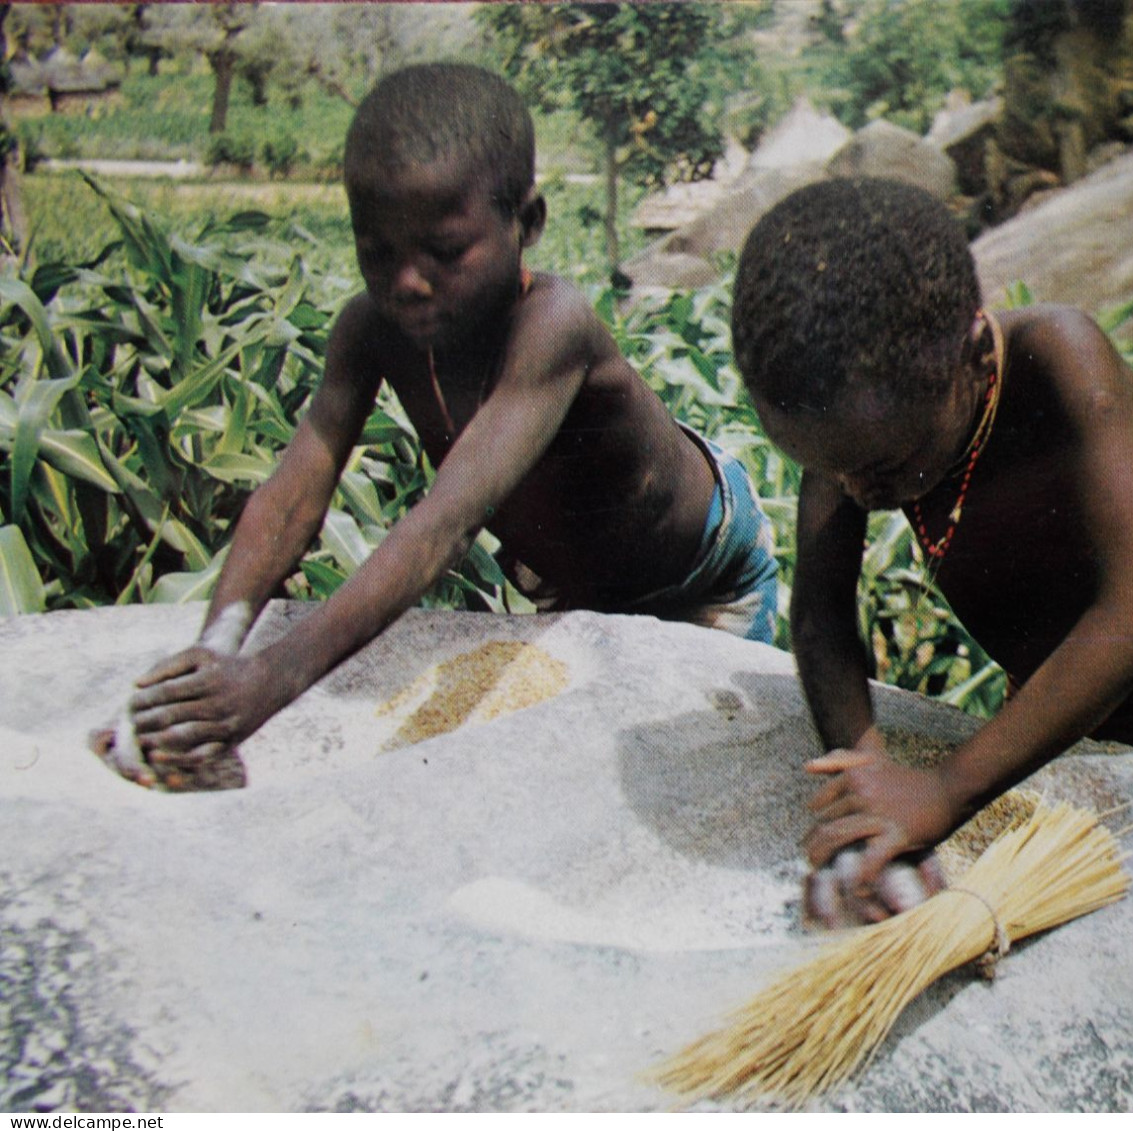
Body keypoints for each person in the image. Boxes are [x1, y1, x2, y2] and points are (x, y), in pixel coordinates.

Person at [729, 177, 1133, 927]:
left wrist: (945, 789)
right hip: (1070, 696)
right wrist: (867, 776)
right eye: (831, 469)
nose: (853, 492)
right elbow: (822, 612)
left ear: (978, 354)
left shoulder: (1063, 362)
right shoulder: (864, 423)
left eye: (882, 470)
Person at [97, 63, 776, 788]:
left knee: (706, 782)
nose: (407, 282)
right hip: (583, 591)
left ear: (529, 223)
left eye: (446, 252)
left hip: (701, 578)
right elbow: (296, 493)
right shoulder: (370, 330)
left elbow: (445, 525)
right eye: (376, 252)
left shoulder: (552, 325)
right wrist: (217, 657)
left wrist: (266, 684)